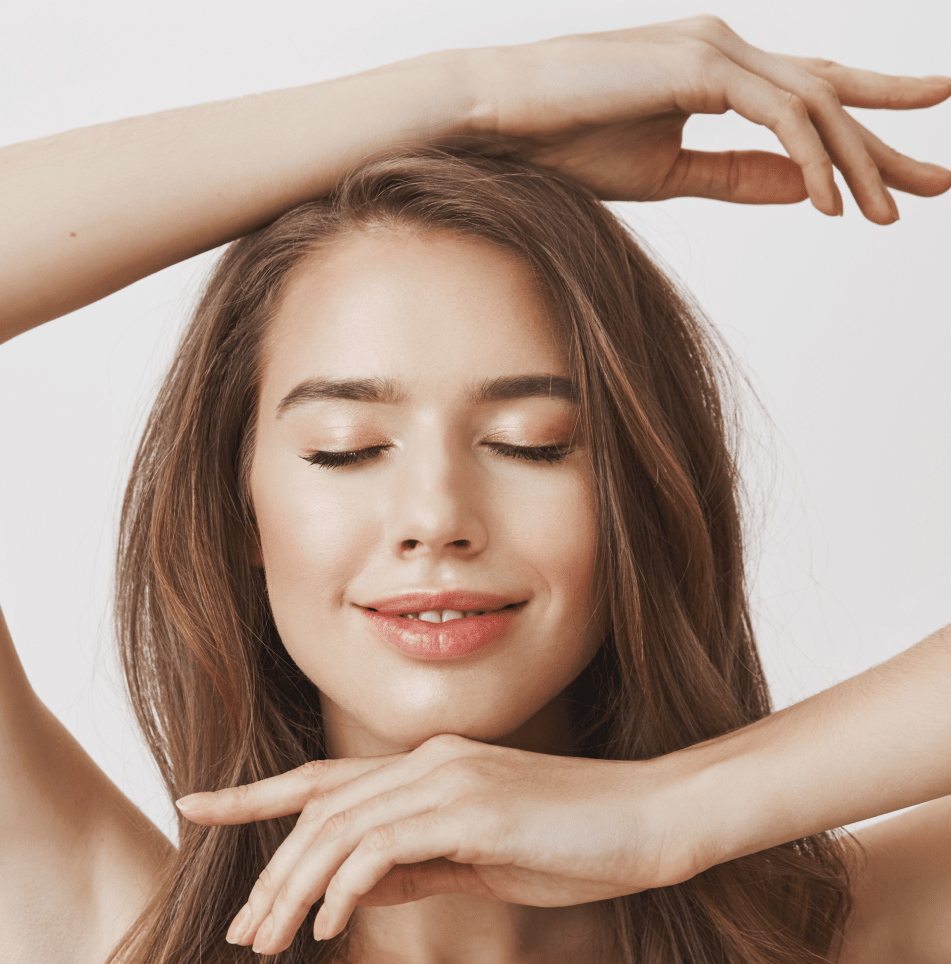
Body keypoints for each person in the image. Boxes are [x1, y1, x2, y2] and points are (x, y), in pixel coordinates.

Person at [0, 15, 949, 964]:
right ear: (237, 508)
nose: (435, 521)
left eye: (528, 445)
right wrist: (465, 96)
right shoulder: (113, 938)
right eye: (344, 450)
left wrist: (675, 814)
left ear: (637, 494)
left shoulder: (868, 935)